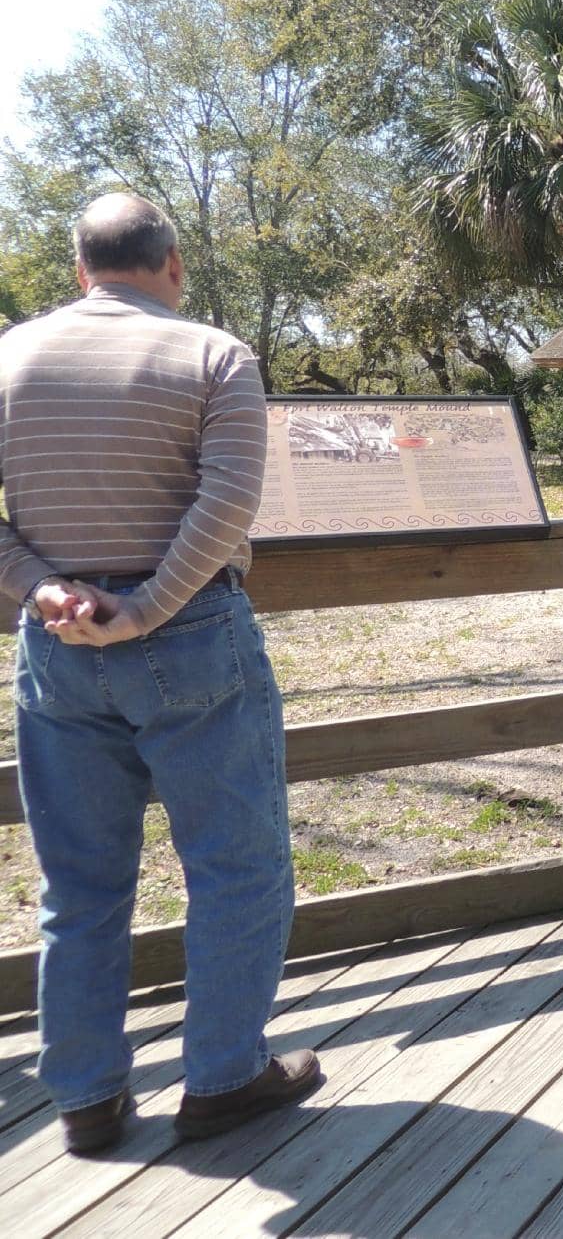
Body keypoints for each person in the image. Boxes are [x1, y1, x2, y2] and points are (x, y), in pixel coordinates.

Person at [2, 193, 319, 1154]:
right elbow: (226, 504)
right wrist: (143, 609)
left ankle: (87, 1098)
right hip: (191, 639)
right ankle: (223, 1076)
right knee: (236, 865)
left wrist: (44, 589)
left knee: (79, 883)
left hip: (57, 648)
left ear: (80, 271)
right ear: (172, 264)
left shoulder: (10, 357)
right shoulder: (214, 355)